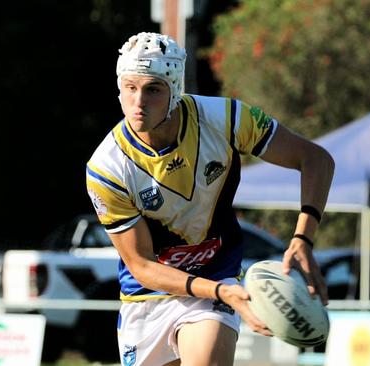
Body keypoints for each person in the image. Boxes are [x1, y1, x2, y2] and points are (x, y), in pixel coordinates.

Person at [85, 32, 334, 366]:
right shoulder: (107, 168)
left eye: (152, 89)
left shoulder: (226, 119)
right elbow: (141, 265)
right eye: (130, 88)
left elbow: (316, 159)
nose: (138, 102)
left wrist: (303, 238)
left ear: (174, 90)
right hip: (149, 294)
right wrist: (221, 292)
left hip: (217, 274)